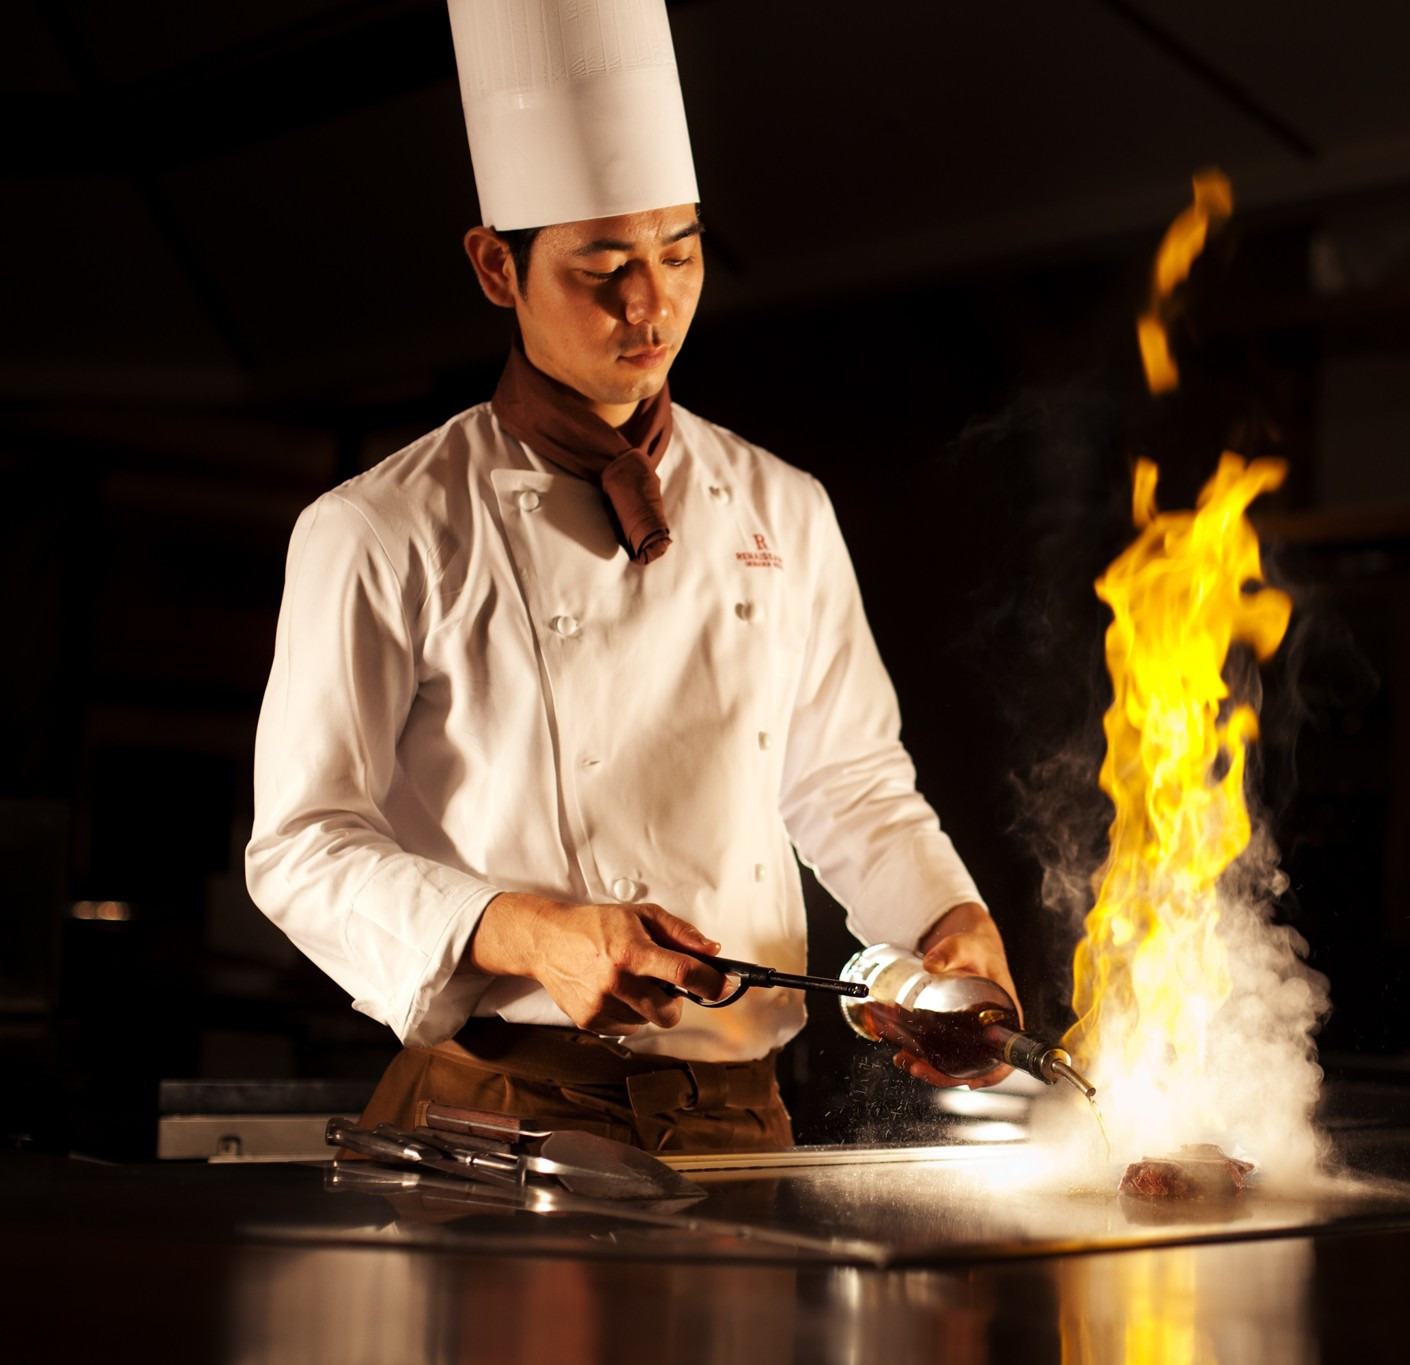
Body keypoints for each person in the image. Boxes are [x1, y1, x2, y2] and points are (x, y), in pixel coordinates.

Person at [245, 0, 1014, 1153]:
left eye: (680, 251)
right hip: (498, 1110)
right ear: (497, 267)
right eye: (602, 268)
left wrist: (949, 924)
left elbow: (847, 782)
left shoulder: (781, 508)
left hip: (741, 1118)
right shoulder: (382, 526)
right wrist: (527, 932)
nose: (650, 304)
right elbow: (301, 846)